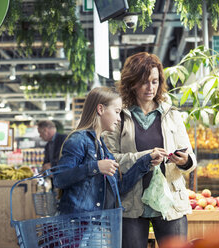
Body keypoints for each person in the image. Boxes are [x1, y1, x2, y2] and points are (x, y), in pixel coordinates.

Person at [103, 52, 197, 247]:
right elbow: (110, 159)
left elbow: (191, 159)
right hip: (131, 202)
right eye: (144, 82)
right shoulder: (120, 116)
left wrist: (185, 160)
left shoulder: (172, 114)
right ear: (132, 83)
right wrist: (145, 157)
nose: (150, 88)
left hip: (170, 200)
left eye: (155, 81)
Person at [53, 86, 167, 215]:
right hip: (78, 227)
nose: (119, 119)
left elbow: (119, 187)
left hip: (99, 225)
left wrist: (147, 160)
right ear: (100, 109)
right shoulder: (79, 140)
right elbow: (59, 179)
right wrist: (95, 167)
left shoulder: (102, 147)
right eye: (117, 111)